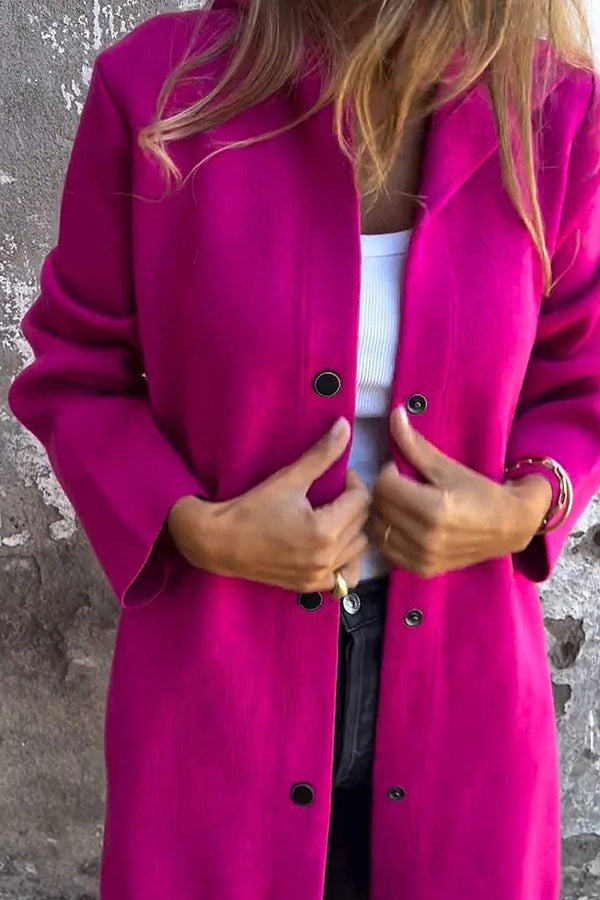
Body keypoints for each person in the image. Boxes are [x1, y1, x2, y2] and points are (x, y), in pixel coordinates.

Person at [7, 0, 600, 897]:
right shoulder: (158, 92)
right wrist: (195, 527)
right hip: (217, 698)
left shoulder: (556, 114)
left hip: (466, 702)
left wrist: (522, 507)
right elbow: (76, 369)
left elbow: (580, 371)